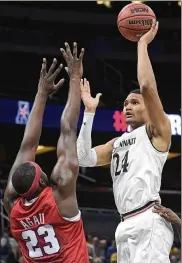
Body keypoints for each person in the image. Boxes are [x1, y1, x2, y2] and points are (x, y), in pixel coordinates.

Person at [77, 20, 174, 262]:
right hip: (123, 225)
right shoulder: (117, 143)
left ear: (147, 108)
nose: (128, 106)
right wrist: (88, 113)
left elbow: (147, 86)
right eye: (125, 104)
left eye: (134, 103)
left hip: (149, 220)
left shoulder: (156, 131)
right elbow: (83, 157)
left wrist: (141, 44)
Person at [3, 42, 89, 263]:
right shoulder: (59, 196)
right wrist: (74, 78)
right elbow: (68, 129)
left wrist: (41, 95)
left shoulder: (12, 207)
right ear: (42, 181)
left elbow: (27, 147)